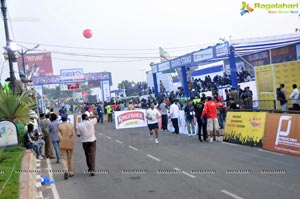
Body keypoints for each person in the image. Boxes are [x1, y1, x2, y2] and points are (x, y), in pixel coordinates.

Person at [58, 114, 75, 180]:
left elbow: (59, 135)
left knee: (63, 158)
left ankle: (66, 171)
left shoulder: (60, 126)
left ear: (61, 119)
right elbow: (73, 135)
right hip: (70, 141)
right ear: (67, 119)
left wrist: (62, 140)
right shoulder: (71, 125)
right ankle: (71, 172)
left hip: (63, 142)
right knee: (70, 157)